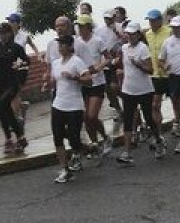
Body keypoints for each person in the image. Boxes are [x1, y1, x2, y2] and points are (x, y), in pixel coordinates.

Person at [116, 21, 165, 164]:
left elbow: (150, 70)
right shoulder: (124, 48)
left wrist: (139, 65)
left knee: (149, 118)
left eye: (132, 34)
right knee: (128, 120)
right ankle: (127, 152)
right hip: (128, 89)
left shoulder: (143, 48)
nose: (130, 37)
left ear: (138, 34)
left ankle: (158, 140)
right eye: (128, 34)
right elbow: (122, 64)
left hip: (144, 90)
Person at [45, 35, 91, 183]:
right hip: (58, 104)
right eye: (59, 45)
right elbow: (55, 81)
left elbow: (89, 80)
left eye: (63, 45)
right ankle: (65, 169)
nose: (60, 47)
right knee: (57, 136)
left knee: (73, 138)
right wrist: (48, 84)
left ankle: (83, 149)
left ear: (70, 46)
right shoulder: (56, 63)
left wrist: (74, 78)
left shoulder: (77, 62)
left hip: (74, 106)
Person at [0, 22, 30, 153]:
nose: (2, 36)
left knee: (2, 106)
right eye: (0, 33)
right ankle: (14, 138)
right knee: (3, 111)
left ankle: (16, 137)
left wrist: (19, 64)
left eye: (4, 33)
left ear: (10, 33)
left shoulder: (16, 48)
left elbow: (26, 62)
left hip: (12, 83)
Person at [73, 14, 114, 157]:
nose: (80, 28)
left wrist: (98, 67)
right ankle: (96, 144)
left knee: (91, 115)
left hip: (97, 82)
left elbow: (109, 58)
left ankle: (106, 137)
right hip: (84, 83)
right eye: (78, 26)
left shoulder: (98, 40)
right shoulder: (76, 42)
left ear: (89, 27)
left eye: (82, 26)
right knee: (86, 117)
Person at [159, 15, 180, 153]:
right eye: (173, 27)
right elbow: (161, 59)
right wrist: (165, 65)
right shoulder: (167, 42)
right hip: (173, 78)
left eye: (178, 27)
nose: (175, 30)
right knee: (178, 109)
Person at [5, 12, 39, 129]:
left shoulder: (24, 36)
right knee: (12, 94)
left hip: (22, 68)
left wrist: (38, 55)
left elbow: (32, 45)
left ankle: (14, 119)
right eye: (9, 21)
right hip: (10, 68)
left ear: (18, 24)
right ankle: (22, 106)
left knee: (15, 93)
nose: (10, 23)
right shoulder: (7, 36)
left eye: (12, 21)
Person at [143, 9, 172, 138]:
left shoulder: (169, 32)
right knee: (155, 105)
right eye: (150, 20)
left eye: (154, 20)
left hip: (169, 73)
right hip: (155, 74)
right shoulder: (147, 35)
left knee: (178, 105)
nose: (152, 22)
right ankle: (159, 134)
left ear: (160, 20)